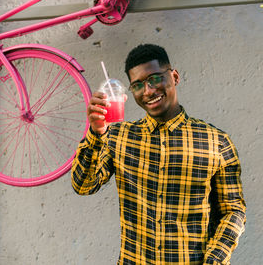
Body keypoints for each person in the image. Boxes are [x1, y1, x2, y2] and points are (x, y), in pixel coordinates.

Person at [71, 44, 246, 264]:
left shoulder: (217, 141)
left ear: (174, 76)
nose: (148, 91)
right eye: (137, 85)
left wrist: (214, 260)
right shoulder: (118, 136)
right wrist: (96, 133)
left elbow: (233, 212)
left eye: (154, 79)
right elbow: (83, 185)